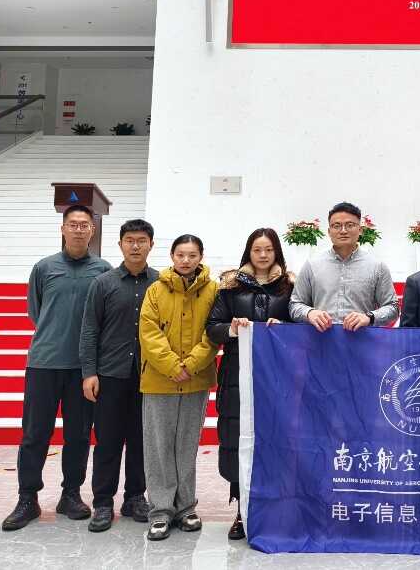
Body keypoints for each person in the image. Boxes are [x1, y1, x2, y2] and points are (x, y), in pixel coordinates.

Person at [2, 204, 111, 532]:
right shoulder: (44, 267)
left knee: (79, 434)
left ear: (92, 230)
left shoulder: (103, 270)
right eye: (73, 224)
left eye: (84, 225)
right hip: (44, 364)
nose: (78, 229)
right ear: (63, 229)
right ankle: (27, 498)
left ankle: (71, 494)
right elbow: (36, 311)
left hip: (83, 368)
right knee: (35, 434)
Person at [206, 228, 294, 541]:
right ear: (249, 252)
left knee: (275, 439)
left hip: (277, 375)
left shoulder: (289, 287)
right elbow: (212, 327)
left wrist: (283, 327)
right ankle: (241, 511)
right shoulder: (230, 288)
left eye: (268, 249)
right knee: (238, 438)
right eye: (257, 249)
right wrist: (231, 328)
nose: (263, 255)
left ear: (276, 252)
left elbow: (301, 325)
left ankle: (276, 509)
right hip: (236, 373)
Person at [79, 219, 157, 532]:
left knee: (141, 440)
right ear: (121, 244)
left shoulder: (160, 283)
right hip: (110, 375)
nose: (135, 246)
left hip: (148, 376)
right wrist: (89, 373)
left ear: (151, 244)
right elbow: (89, 329)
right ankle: (102, 502)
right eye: (129, 240)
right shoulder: (103, 283)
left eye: (141, 240)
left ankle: (135, 497)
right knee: (108, 441)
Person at [139, 234, 218, 541]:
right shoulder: (156, 290)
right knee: (158, 447)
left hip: (196, 380)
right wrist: (174, 366)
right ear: (172, 256)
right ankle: (160, 510)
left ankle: (185, 507)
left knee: (186, 445)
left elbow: (213, 332)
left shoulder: (213, 290)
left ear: (201, 257)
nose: (186, 260)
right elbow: (149, 333)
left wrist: (192, 364)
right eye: (181, 255)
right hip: (160, 380)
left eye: (192, 255)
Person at [289, 202, 398, 331]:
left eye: (350, 225)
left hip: (361, 339)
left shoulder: (377, 266)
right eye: (337, 226)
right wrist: (309, 313)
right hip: (321, 339)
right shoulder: (312, 264)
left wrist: (369, 317)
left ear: (360, 230)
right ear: (329, 232)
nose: (343, 231)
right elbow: (294, 305)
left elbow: (393, 307)